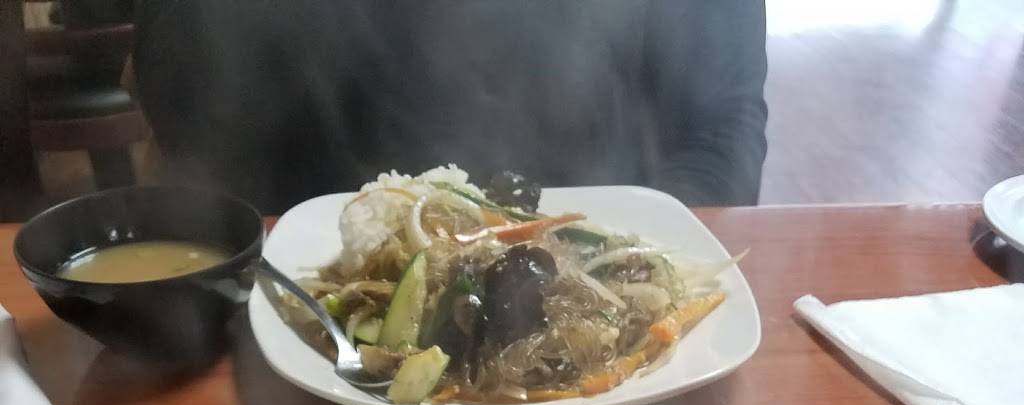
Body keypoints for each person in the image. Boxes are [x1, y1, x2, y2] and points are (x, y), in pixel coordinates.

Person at [132, 0, 767, 214]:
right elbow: (189, 119)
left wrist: (637, 267)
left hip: (596, 270)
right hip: (315, 304)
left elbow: (721, 133)